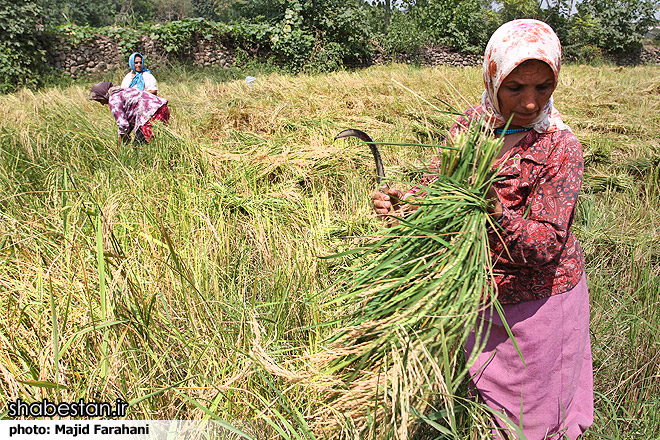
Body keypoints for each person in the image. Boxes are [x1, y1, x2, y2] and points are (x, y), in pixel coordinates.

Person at [372, 19, 593, 439]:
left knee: (540, 416)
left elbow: (545, 244)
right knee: (491, 407)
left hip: (540, 302)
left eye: (543, 87)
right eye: (515, 88)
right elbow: (443, 187)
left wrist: (495, 210)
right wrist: (402, 203)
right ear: (493, 78)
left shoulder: (561, 146)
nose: (530, 103)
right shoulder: (471, 126)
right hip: (482, 291)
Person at [89, 81, 170, 147]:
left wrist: (120, 144)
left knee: (140, 148)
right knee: (158, 143)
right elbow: (130, 119)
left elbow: (123, 125)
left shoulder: (114, 99)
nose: (102, 104)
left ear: (103, 94)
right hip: (162, 109)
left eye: (100, 100)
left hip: (150, 115)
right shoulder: (123, 91)